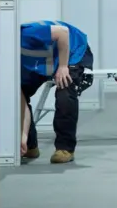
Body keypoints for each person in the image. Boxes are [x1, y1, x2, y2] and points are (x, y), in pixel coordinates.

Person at [20, 20, 94, 164]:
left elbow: (63, 32)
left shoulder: (27, 33)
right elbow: (20, 102)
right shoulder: (6, 60)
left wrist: (63, 66)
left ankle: (65, 148)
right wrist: (23, 136)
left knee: (65, 92)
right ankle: (29, 146)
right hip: (42, 61)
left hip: (71, 49)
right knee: (20, 92)